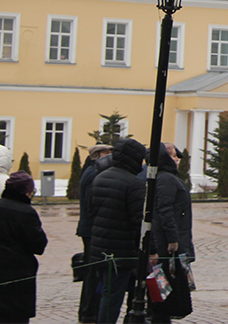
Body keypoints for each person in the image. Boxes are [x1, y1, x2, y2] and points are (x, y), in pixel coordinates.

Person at [0, 171, 48, 323]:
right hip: (17, 276)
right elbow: (38, 245)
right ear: (27, 192)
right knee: (13, 318)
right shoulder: (27, 212)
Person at [88, 137, 146, 324]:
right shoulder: (134, 184)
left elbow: (91, 211)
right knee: (113, 296)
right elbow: (139, 221)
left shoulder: (100, 178)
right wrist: (149, 248)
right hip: (121, 251)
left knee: (107, 292)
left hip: (100, 247)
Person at [148, 143, 194, 322]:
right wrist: (173, 239)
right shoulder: (166, 179)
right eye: (174, 156)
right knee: (166, 287)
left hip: (173, 237)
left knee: (170, 287)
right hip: (167, 242)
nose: (177, 159)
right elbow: (164, 210)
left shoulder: (168, 177)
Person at [77, 144, 113, 323]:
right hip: (92, 230)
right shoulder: (94, 174)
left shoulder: (92, 171)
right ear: (98, 155)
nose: (111, 156)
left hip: (90, 228)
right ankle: (89, 312)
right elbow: (91, 204)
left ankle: (89, 311)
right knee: (93, 273)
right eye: (107, 153)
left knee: (92, 272)